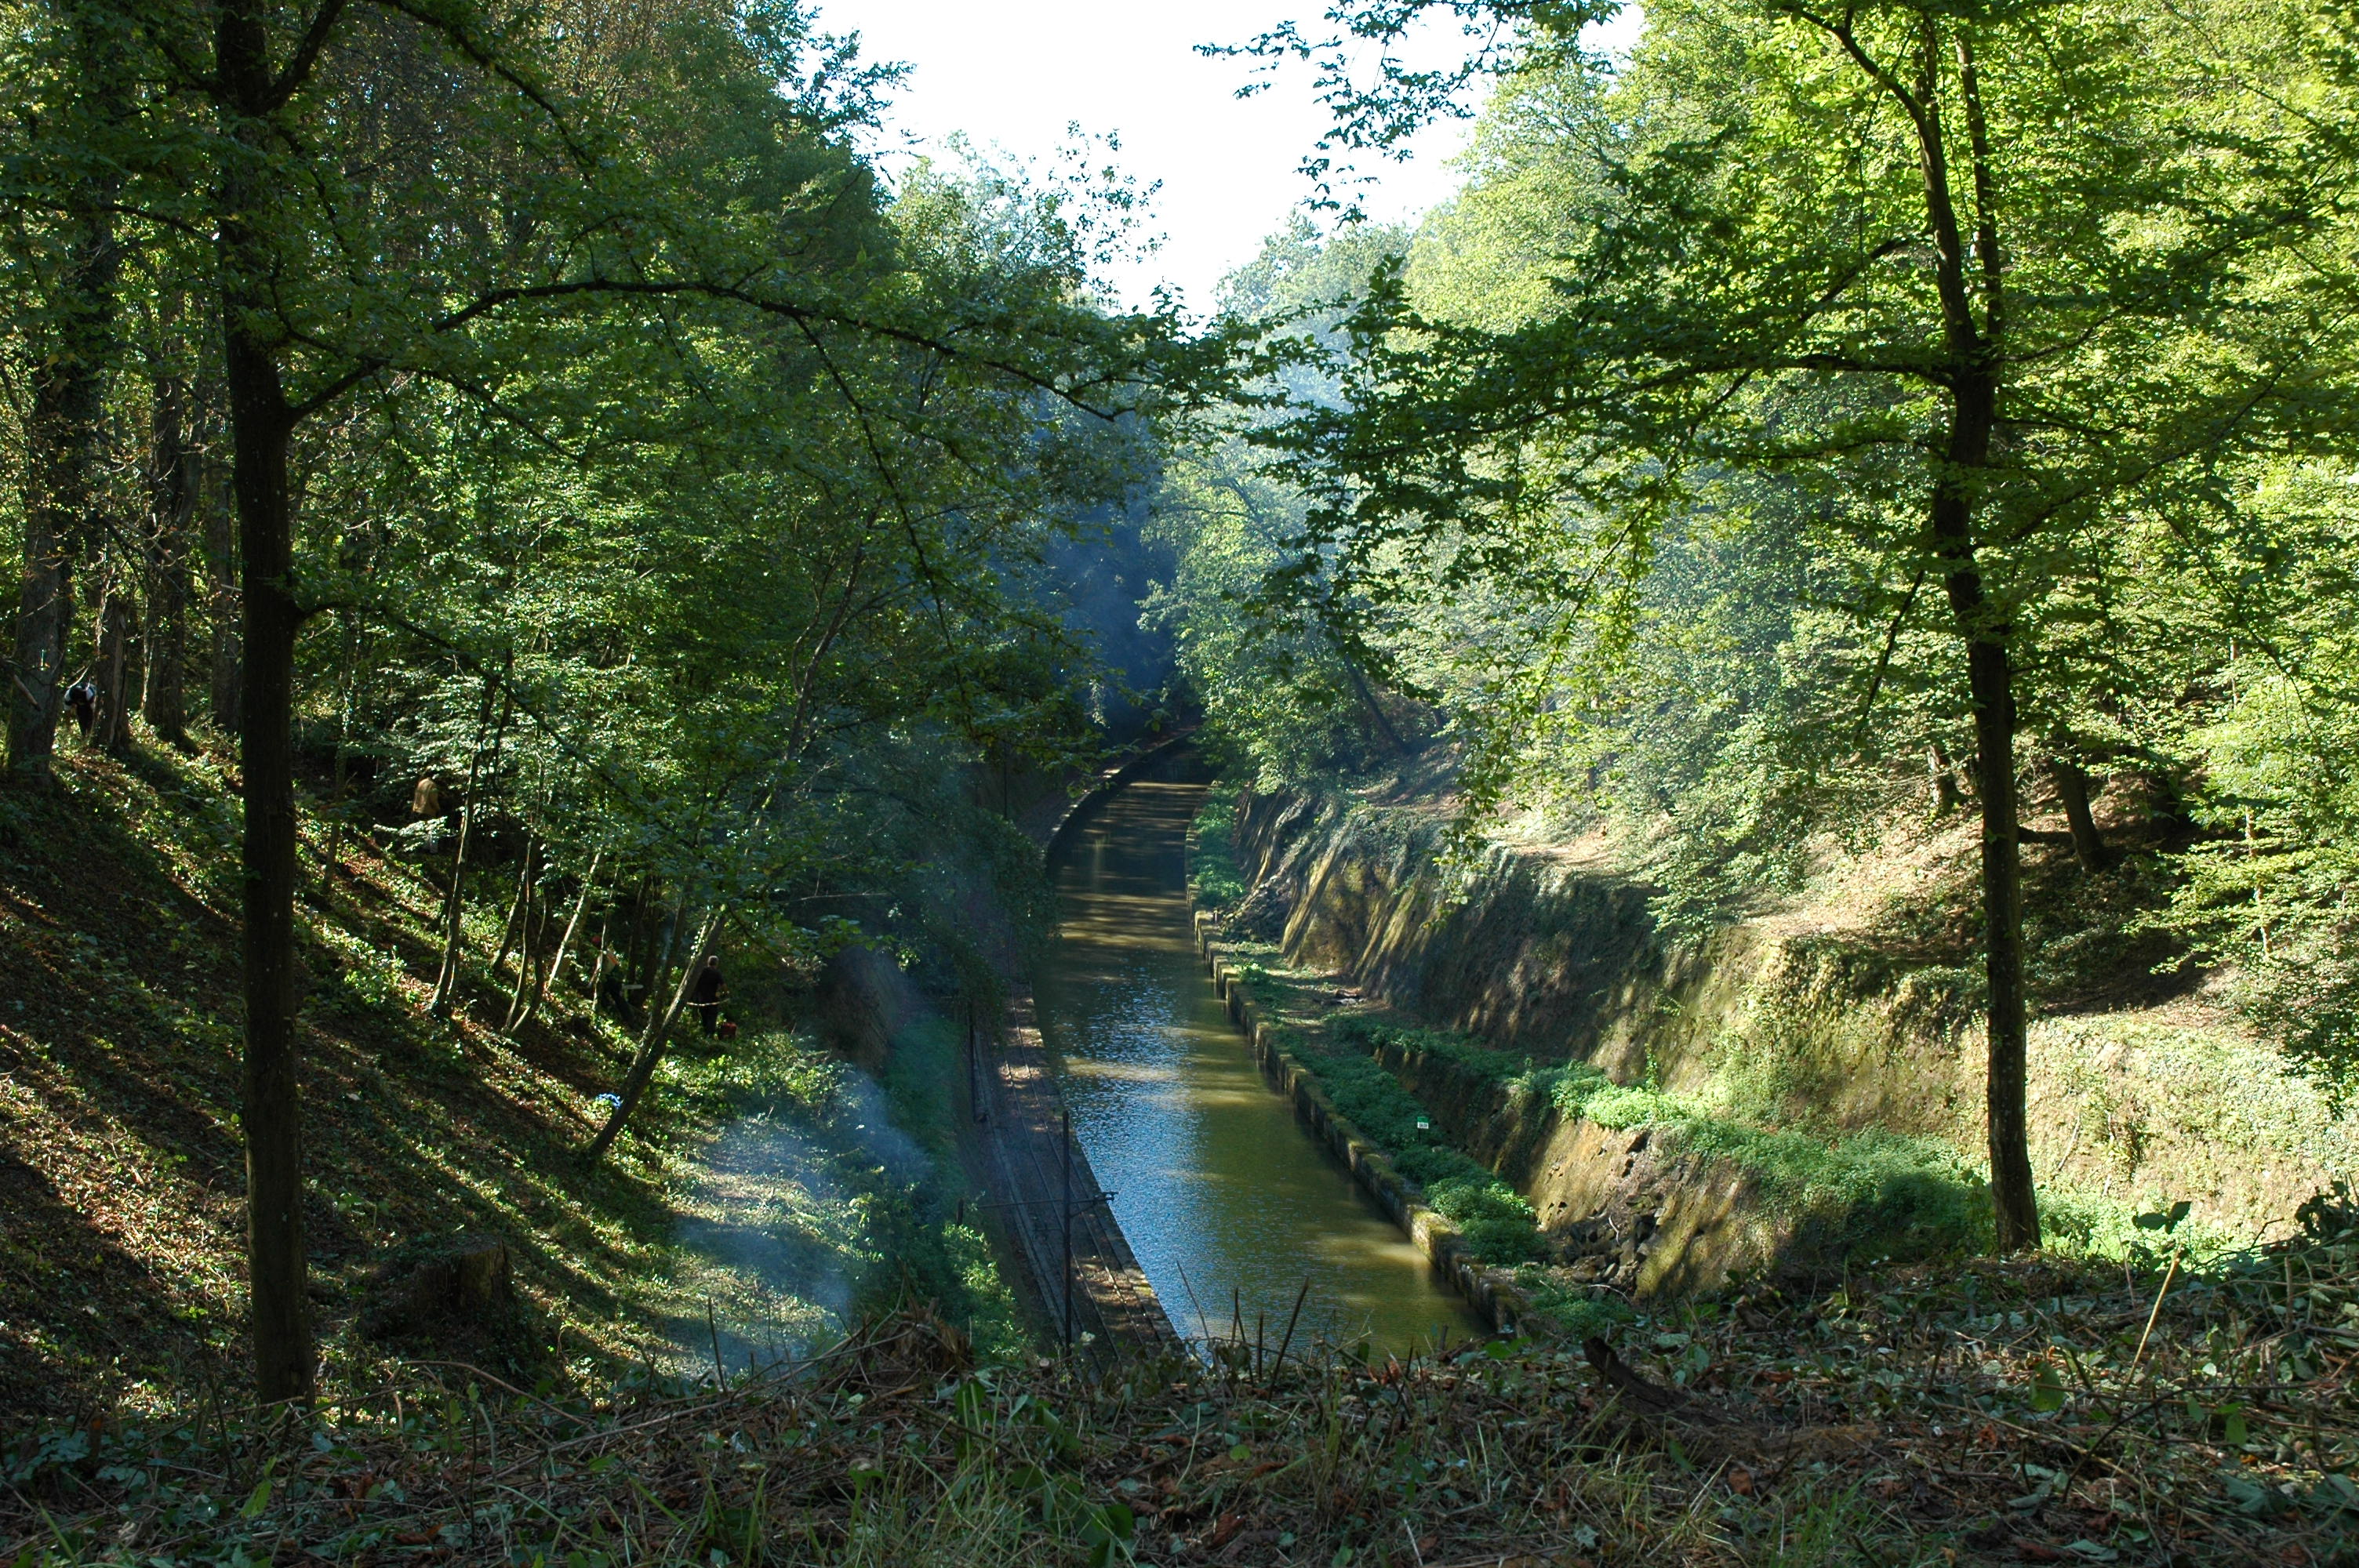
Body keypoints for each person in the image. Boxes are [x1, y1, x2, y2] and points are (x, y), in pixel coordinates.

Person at [689, 954, 724, 1036]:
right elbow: (723, 985)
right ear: (716, 963)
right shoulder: (717, 973)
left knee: (704, 1015)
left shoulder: (702, 971)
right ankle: (709, 1034)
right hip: (713, 999)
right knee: (712, 1016)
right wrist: (726, 993)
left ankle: (705, 1033)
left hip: (702, 998)